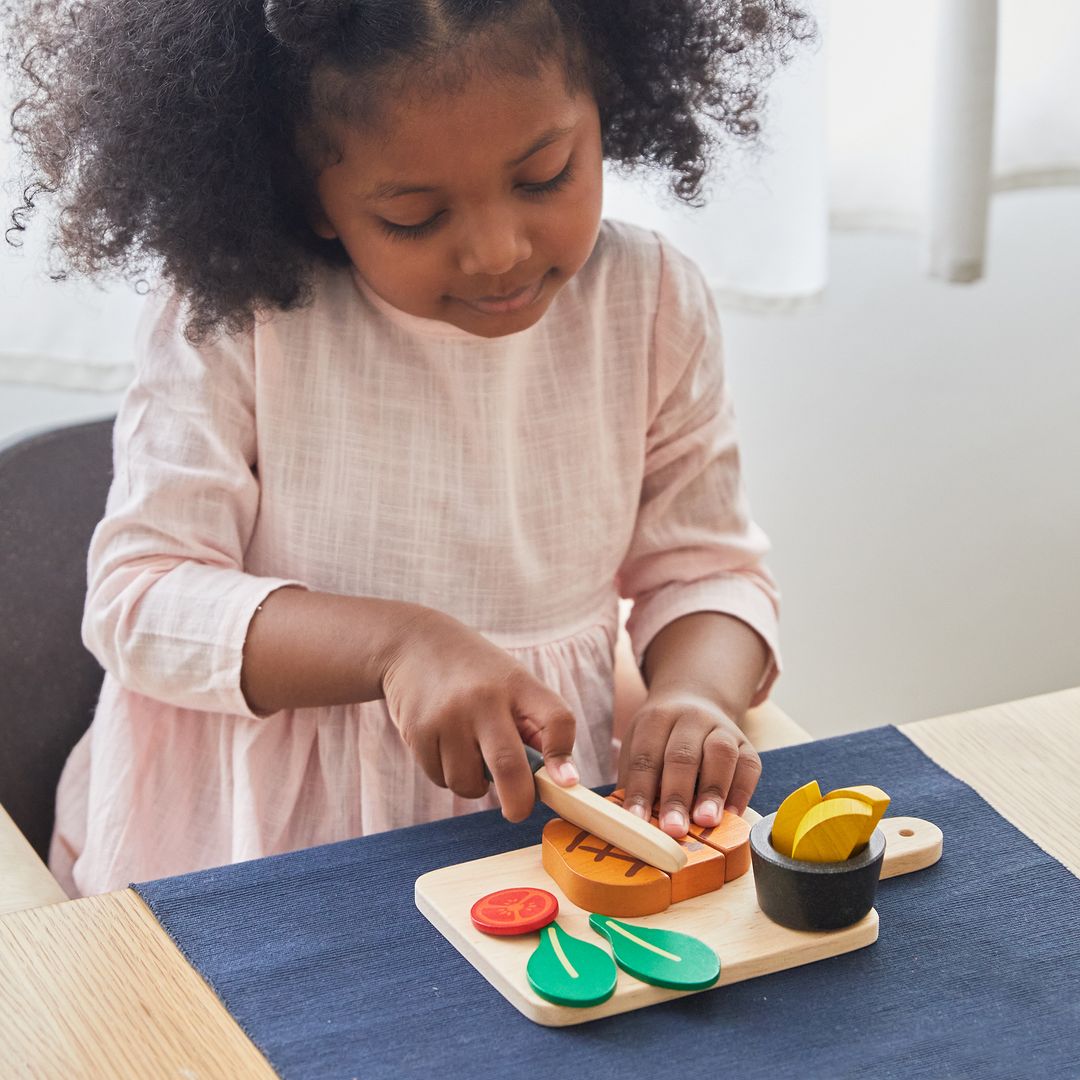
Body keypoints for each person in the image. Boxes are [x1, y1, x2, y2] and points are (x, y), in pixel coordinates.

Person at [5, 0, 810, 896]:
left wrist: (696, 695)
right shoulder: (239, 321)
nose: (499, 251)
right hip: (245, 853)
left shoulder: (651, 303)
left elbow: (706, 574)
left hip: (533, 839)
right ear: (311, 191)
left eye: (545, 176)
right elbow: (139, 602)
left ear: (607, 104)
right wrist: (397, 647)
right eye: (416, 217)